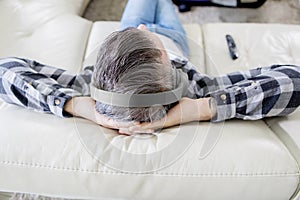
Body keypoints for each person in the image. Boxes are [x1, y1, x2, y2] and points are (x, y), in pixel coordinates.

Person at [0, 0, 299, 135]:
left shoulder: (85, 85)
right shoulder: (197, 89)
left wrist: (77, 105)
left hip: (138, 34)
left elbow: (6, 70)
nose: (145, 26)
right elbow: (294, 81)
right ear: (170, 66)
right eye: (143, 35)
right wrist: (198, 109)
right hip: (173, 36)